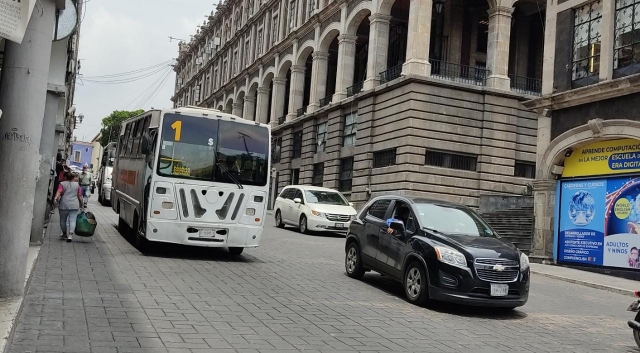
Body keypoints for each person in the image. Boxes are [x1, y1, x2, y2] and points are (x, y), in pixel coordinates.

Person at [54, 171, 83, 242]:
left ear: (65, 177)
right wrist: (82, 204)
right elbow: (80, 195)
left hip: (64, 204)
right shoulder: (77, 185)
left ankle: (64, 234)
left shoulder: (62, 184)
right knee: (72, 220)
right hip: (74, 205)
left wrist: (55, 198)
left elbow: (59, 191)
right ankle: (70, 235)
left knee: (62, 220)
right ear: (73, 177)